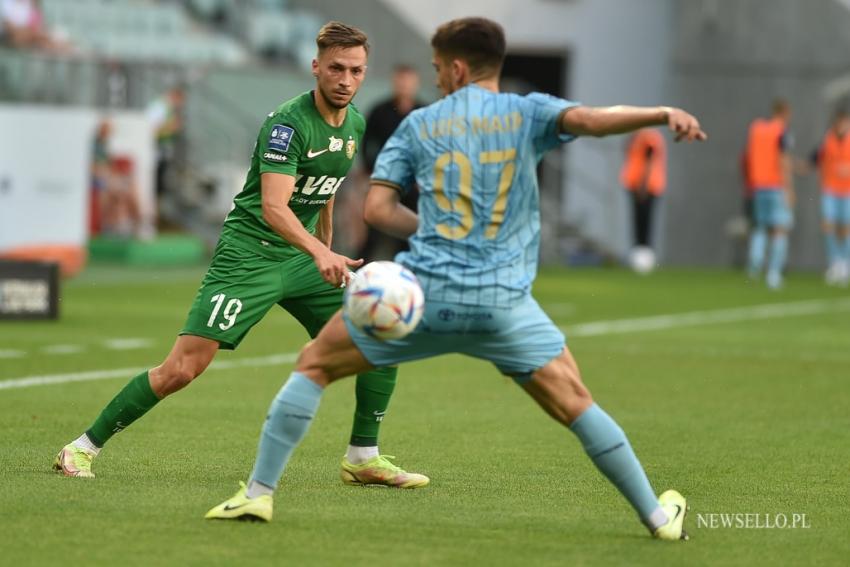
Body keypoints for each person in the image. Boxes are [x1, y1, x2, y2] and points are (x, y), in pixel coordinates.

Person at [206, 17, 706, 541]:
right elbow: (595, 120)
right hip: (503, 305)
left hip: (424, 297)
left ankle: (259, 496)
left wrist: (429, 227)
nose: (437, 76)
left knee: (313, 367)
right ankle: (656, 516)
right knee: (576, 401)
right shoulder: (529, 111)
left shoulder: (419, 124)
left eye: (439, 67)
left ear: (458, 67)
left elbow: (377, 210)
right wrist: (661, 113)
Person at [53, 21, 428, 489]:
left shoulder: (354, 123)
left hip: (301, 257)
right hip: (248, 256)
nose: (346, 79)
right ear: (316, 67)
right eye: (336, 68)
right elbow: (273, 207)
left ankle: (362, 457)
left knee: (382, 336)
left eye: (356, 70)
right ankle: (82, 447)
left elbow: (325, 188)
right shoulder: (288, 124)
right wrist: (316, 249)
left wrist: (326, 251)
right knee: (183, 368)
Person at [358, 64, 425, 260]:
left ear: (415, 84)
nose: (404, 86)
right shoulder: (379, 111)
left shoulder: (423, 111)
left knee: (409, 236)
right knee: (373, 233)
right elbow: (366, 142)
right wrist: (370, 171)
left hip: (414, 184)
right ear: (394, 82)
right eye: (400, 81)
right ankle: (359, 274)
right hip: (384, 180)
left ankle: (408, 279)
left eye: (408, 82)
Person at [745, 99, 795, 289]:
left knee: (760, 227)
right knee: (780, 228)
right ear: (784, 113)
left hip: (758, 184)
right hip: (776, 184)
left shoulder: (757, 129)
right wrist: (789, 189)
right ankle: (774, 273)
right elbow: (783, 159)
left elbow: (750, 156)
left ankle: (754, 267)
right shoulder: (782, 131)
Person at [810, 108, 850, 285]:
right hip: (830, 188)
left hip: (847, 190)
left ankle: (845, 262)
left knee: (845, 228)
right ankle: (835, 262)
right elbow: (816, 158)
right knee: (828, 225)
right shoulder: (828, 140)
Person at [620, 128, 667, 272]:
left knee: (645, 222)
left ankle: (645, 259)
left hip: (647, 187)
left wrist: (643, 186)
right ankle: (638, 256)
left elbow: (648, 162)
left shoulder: (649, 136)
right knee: (637, 222)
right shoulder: (636, 136)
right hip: (635, 185)